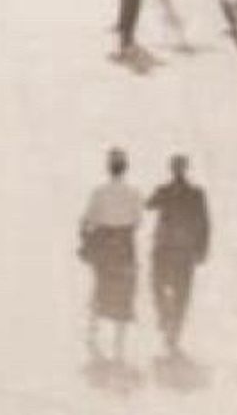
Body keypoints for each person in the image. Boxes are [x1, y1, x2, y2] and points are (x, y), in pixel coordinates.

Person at [80, 148, 145, 367]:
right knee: (124, 288)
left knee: (101, 284)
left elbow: (88, 218)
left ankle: (93, 328)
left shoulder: (99, 192)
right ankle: (119, 338)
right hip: (125, 245)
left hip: (106, 244)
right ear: (125, 167)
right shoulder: (134, 192)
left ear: (109, 168)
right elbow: (138, 220)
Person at [145, 154, 211, 360]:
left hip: (166, 250)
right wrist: (201, 250)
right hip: (181, 251)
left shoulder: (167, 191)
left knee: (159, 287)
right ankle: (172, 331)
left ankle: (166, 320)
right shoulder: (195, 194)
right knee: (180, 294)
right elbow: (205, 224)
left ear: (173, 169)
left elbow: (148, 204)